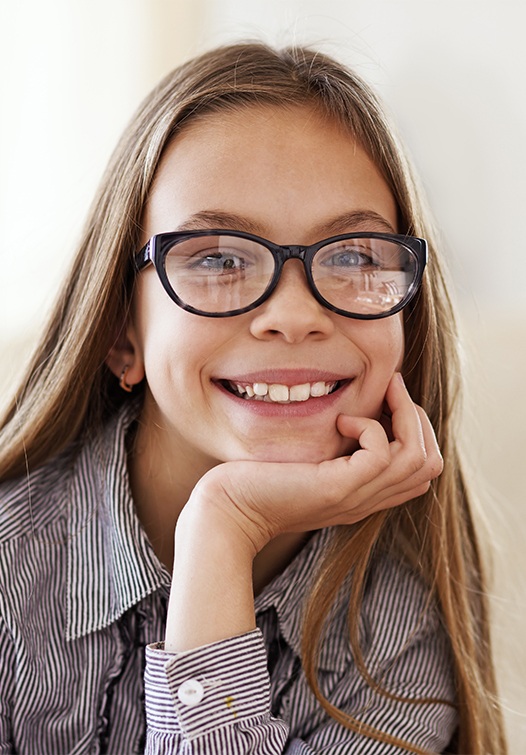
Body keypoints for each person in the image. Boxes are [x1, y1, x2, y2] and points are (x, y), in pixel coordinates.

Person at [0, 42, 507, 754]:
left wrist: (223, 528)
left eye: (355, 255)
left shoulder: (397, 636)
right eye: (217, 258)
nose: (294, 314)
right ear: (122, 331)